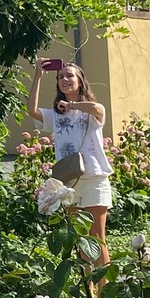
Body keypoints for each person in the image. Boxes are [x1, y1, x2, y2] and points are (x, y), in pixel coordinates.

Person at [26, 60, 112, 264]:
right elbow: (31, 110)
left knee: (97, 239)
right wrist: (38, 75)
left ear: (80, 81)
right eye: (60, 77)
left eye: (69, 75)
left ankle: (105, 294)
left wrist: (72, 105)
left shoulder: (90, 110)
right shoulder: (55, 115)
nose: (64, 79)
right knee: (80, 239)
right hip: (69, 183)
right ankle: (89, 294)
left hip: (94, 179)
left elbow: (97, 108)